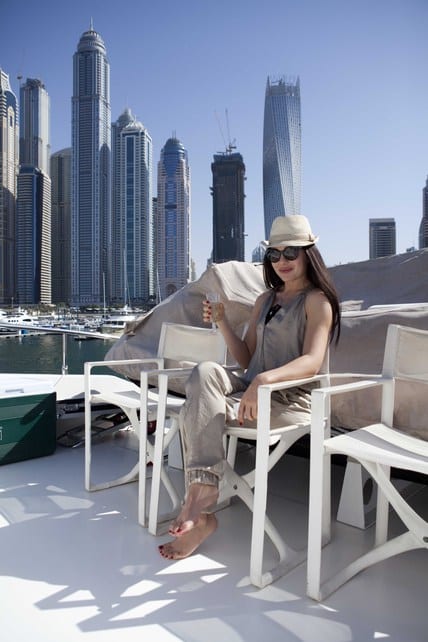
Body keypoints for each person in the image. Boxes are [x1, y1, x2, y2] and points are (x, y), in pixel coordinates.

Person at [159, 215, 341, 560]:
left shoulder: (318, 301)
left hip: (290, 398)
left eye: (291, 252)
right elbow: (246, 359)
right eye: (275, 254)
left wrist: (264, 380)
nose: (282, 261)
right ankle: (203, 492)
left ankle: (199, 507)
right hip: (250, 388)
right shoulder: (266, 300)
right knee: (205, 371)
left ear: (308, 254)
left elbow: (312, 362)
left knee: (196, 410)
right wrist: (222, 321)